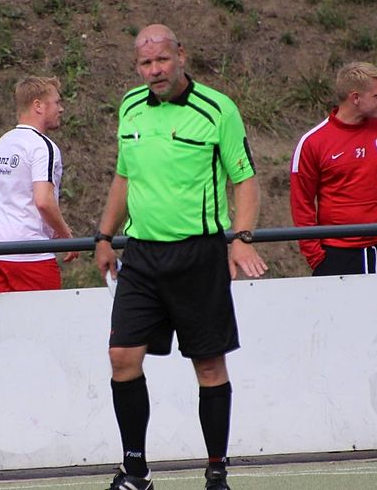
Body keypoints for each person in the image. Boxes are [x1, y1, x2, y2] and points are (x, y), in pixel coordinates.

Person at [94, 24, 267, 490]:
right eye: (146, 63)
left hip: (199, 256)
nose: (155, 70)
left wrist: (241, 237)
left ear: (181, 56)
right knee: (121, 357)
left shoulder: (218, 109)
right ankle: (136, 472)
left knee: (208, 366)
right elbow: (124, 177)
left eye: (162, 60)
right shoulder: (130, 106)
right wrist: (105, 236)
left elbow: (244, 179)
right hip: (141, 257)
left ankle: (216, 472)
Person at [290, 62, 377, 276]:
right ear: (355, 98)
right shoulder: (313, 142)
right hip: (339, 254)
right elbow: (302, 203)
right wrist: (316, 257)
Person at [0, 75, 79, 292]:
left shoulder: (0, 144)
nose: (61, 108)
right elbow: (43, 200)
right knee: (45, 312)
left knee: (0, 314)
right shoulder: (42, 146)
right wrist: (66, 235)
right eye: (57, 102)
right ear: (38, 106)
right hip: (30, 254)